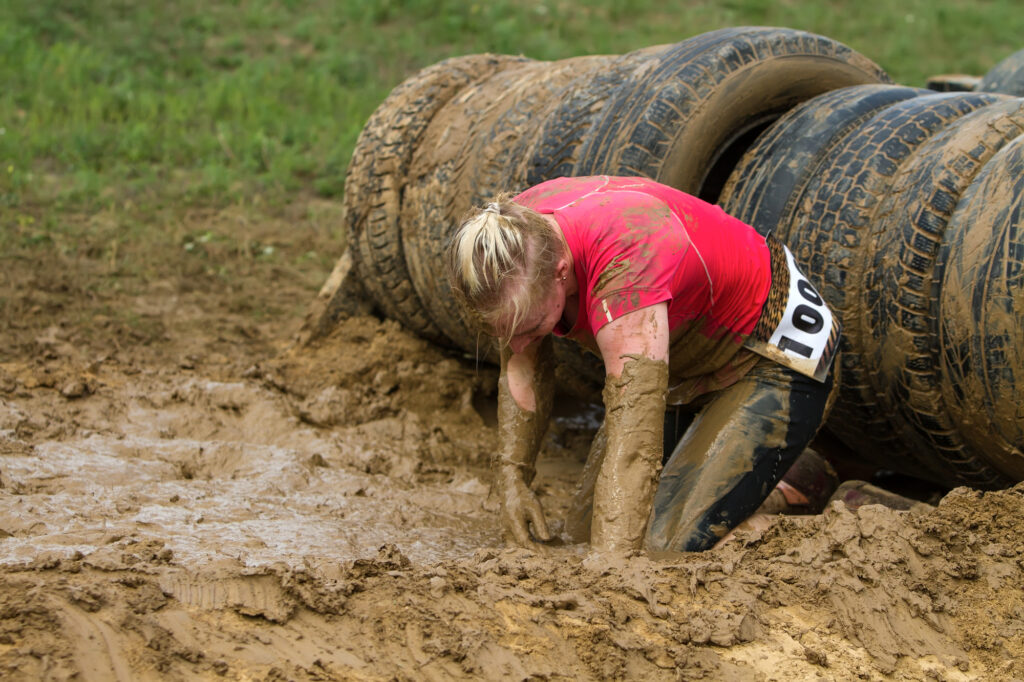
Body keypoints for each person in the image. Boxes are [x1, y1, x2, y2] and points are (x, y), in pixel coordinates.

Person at [446, 175, 840, 553]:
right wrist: (514, 478)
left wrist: (610, 573)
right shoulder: (513, 238)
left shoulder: (625, 267)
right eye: (503, 332)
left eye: (529, 326)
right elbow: (522, 364)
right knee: (582, 533)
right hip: (687, 366)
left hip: (774, 356)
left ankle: (807, 493)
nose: (517, 344)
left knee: (657, 545)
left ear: (561, 271)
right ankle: (753, 475)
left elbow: (633, 439)